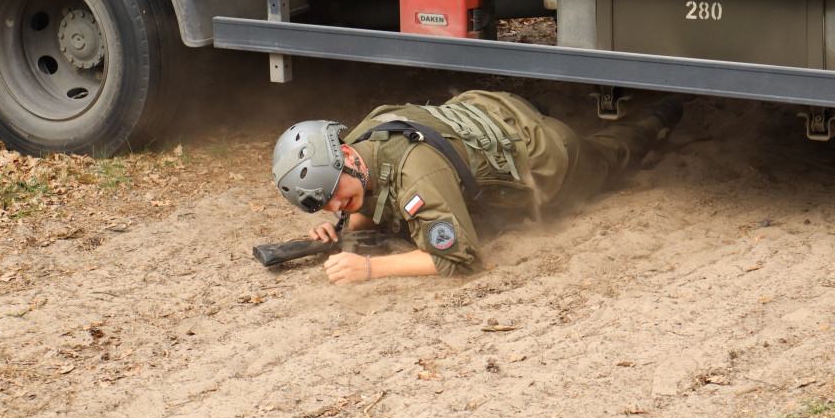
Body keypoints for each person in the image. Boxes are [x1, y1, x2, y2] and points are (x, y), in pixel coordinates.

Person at [272, 90, 682, 284]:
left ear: (346, 156)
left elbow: (460, 260)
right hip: (489, 108)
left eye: (335, 193)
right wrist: (347, 229)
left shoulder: (420, 173)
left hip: (546, 159)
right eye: (324, 205)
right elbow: (373, 193)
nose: (335, 207)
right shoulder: (365, 138)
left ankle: (660, 115)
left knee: (610, 156)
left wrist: (369, 267)